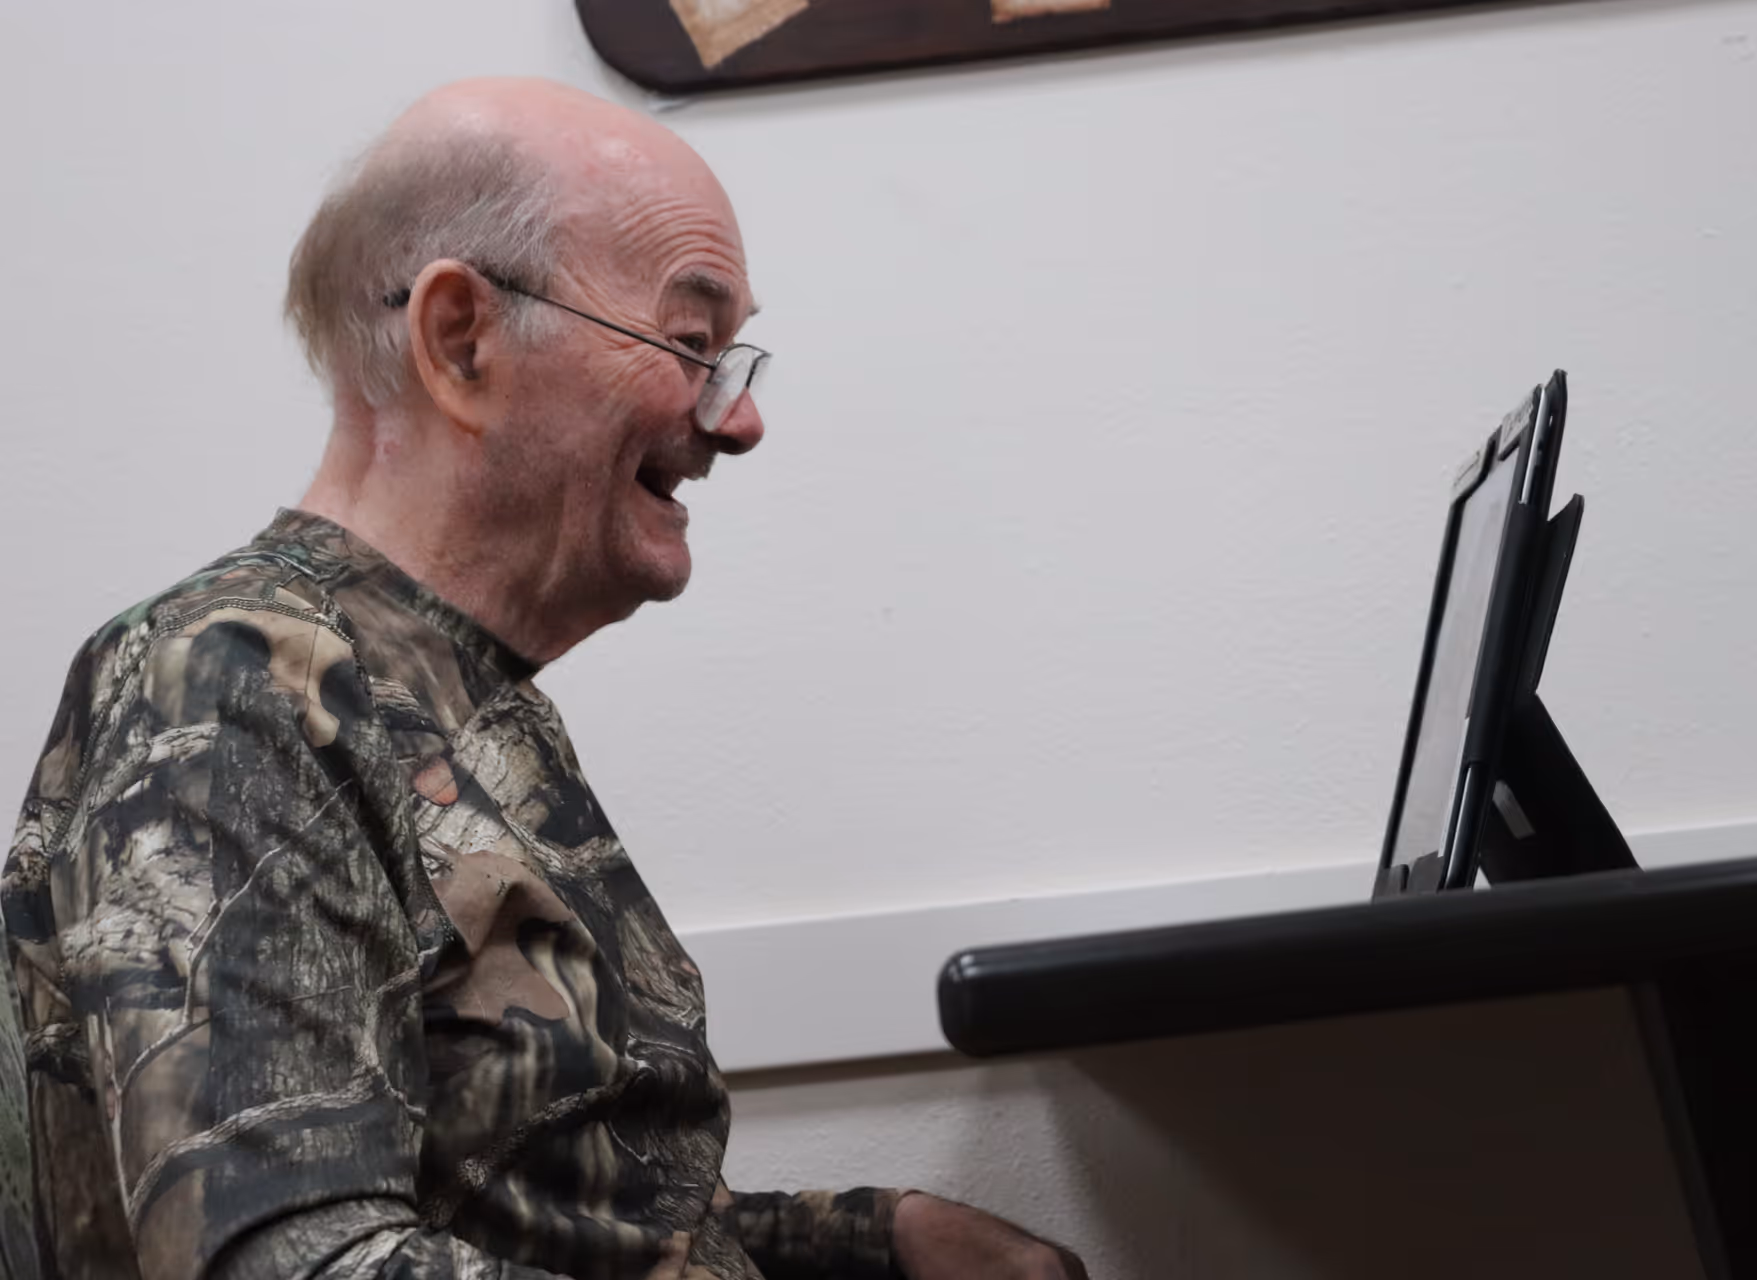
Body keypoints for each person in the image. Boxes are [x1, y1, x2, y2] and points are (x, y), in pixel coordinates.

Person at [1, 78, 1087, 1280]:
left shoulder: (453, 693)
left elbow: (576, 1222)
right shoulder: (228, 687)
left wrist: (879, 1240)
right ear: (461, 339)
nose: (738, 422)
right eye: (691, 345)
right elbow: (301, 1262)